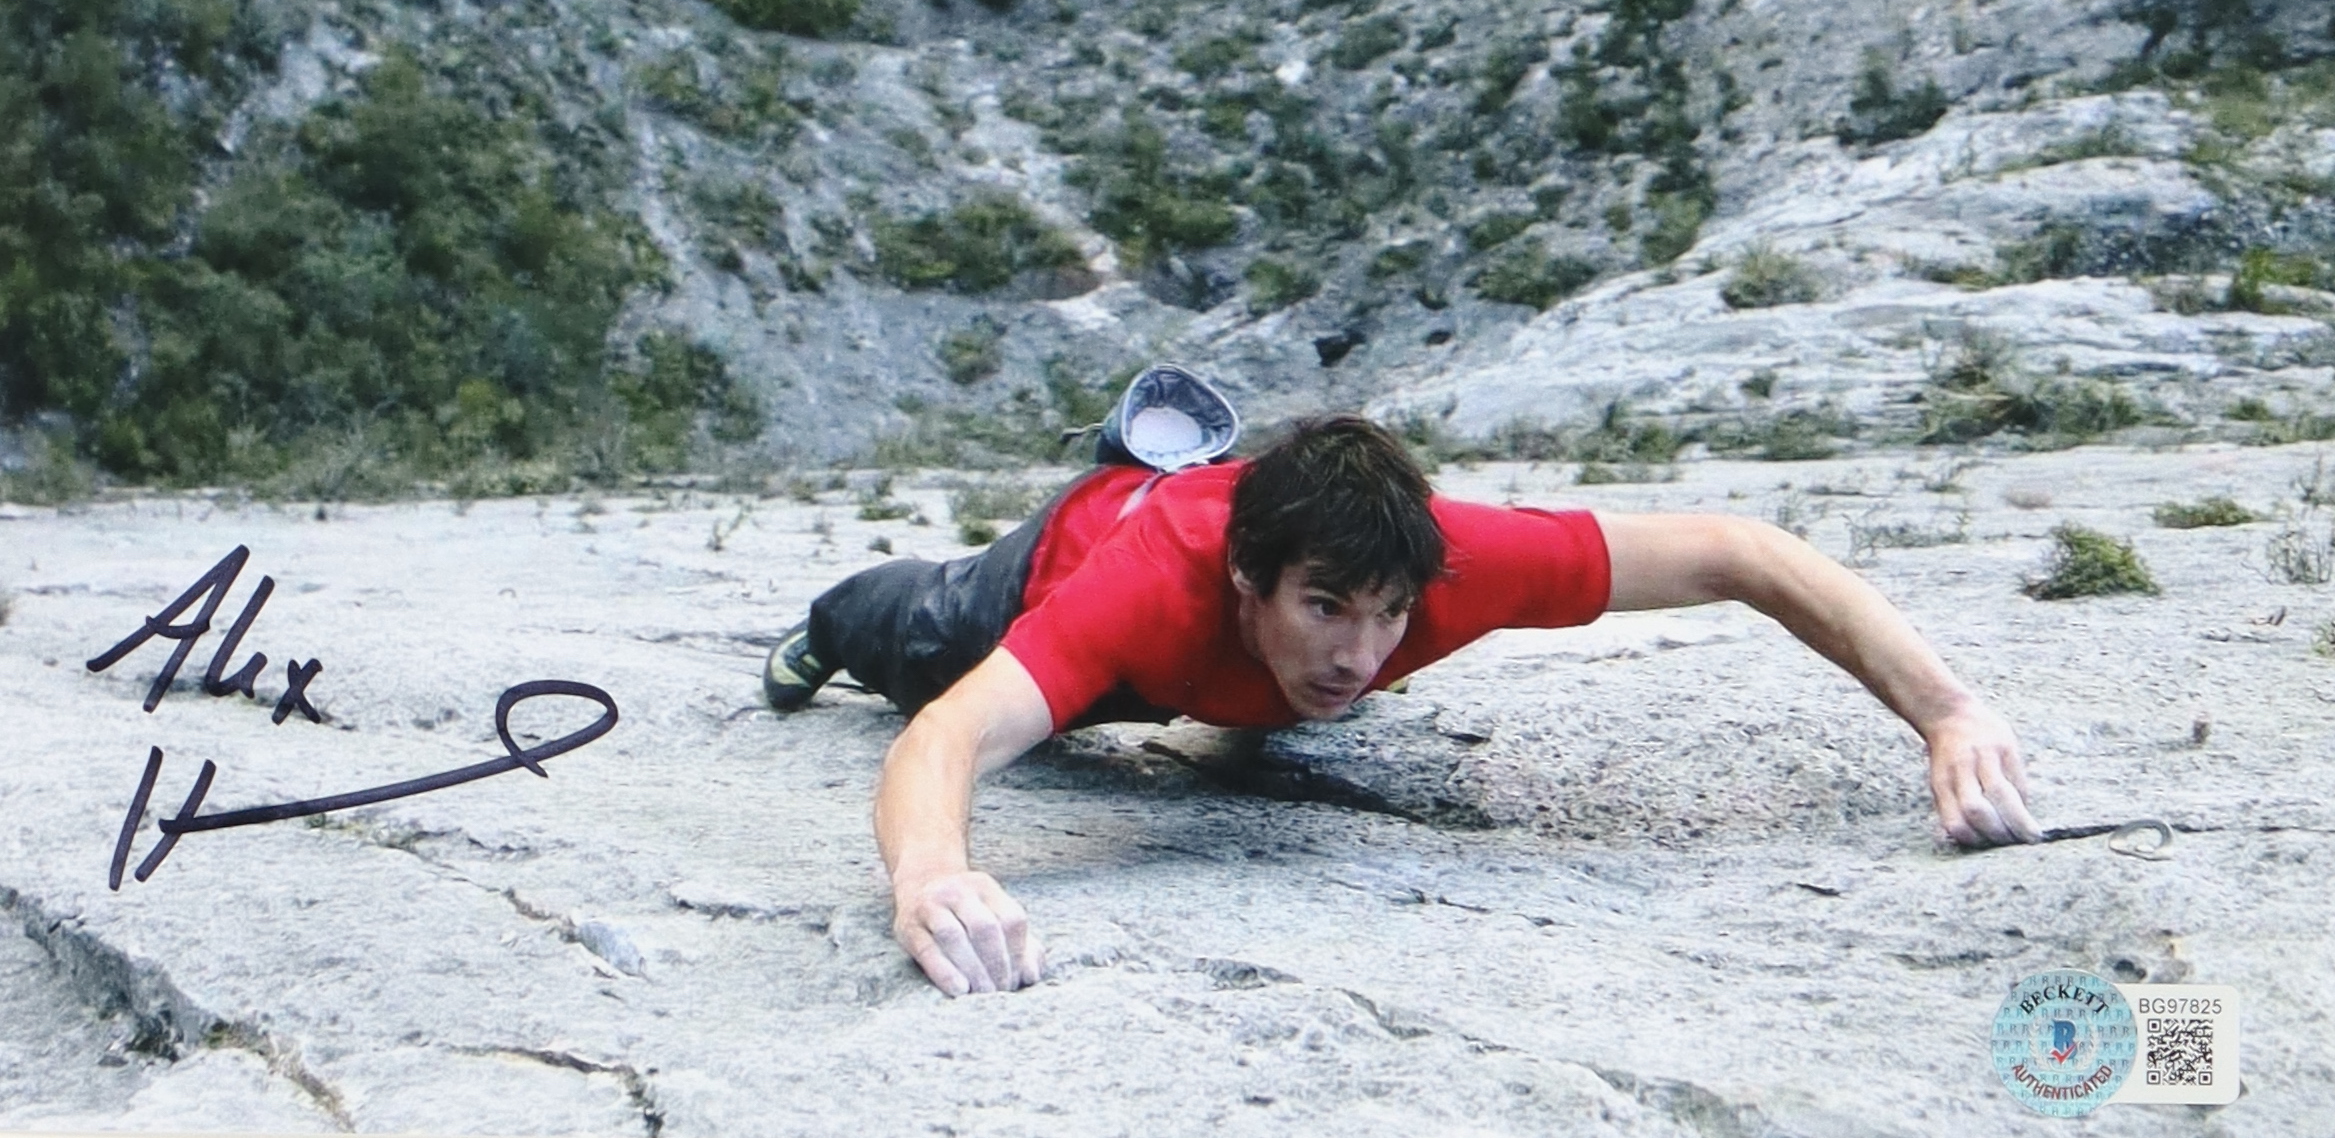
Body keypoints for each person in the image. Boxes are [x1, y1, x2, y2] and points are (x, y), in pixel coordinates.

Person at [763, 416, 2042, 998]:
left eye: (1387, 613)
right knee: (904, 633)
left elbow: (1741, 551)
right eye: (1326, 608)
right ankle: (816, 627)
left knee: (1272, 712)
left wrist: (1947, 711)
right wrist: (929, 872)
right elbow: (947, 738)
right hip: (1049, 573)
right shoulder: (1146, 588)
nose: (1362, 653)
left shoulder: (1453, 560)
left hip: (1215, 624)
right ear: (1250, 577)